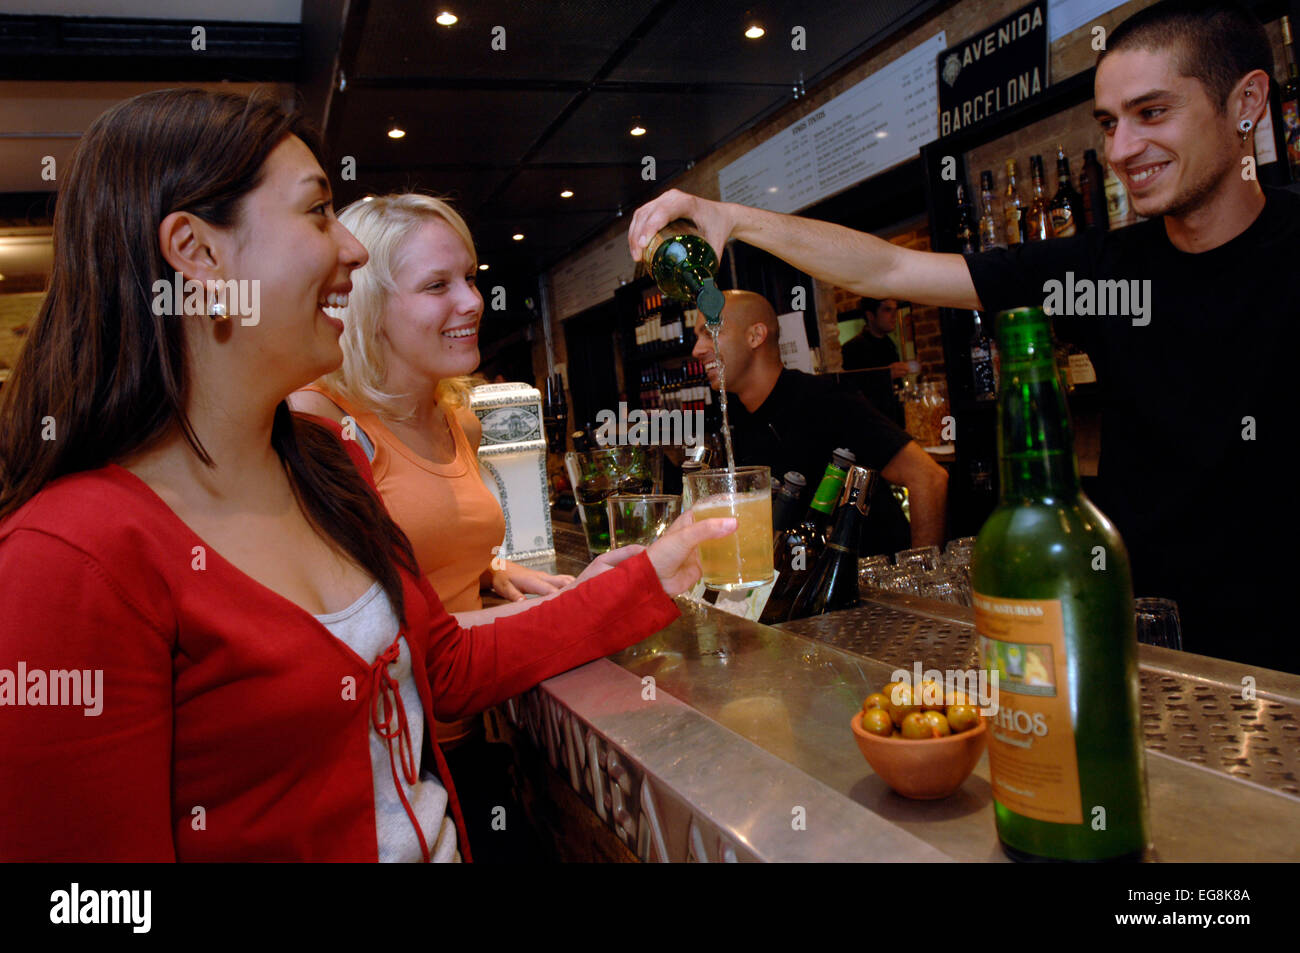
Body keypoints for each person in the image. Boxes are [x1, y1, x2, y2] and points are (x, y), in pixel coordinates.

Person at [0, 88, 736, 862]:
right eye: (318, 212)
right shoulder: (68, 557)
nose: (351, 250)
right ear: (197, 252)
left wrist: (648, 576)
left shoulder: (326, 464)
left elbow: (443, 667)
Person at [630, 0, 1298, 674]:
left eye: (1151, 114)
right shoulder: (1101, 268)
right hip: (1140, 647)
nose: (1121, 149)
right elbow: (890, 266)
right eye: (1108, 123)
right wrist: (732, 217)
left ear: (1246, 102)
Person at [286, 192, 572, 861]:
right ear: (367, 305)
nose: (472, 301)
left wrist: (492, 571)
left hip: (468, 742)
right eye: (437, 285)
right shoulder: (320, 420)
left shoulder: (457, 416)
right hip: (391, 766)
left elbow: (427, 546)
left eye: (470, 277)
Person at [691, 289, 948, 555]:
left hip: (871, 585)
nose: (697, 350)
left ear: (755, 336)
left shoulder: (823, 399)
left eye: (710, 332)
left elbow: (929, 478)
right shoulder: (738, 417)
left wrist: (922, 576)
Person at [839, 296, 909, 420]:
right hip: (872, 424)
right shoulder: (853, 348)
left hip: (895, 421)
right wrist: (885, 375)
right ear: (870, 315)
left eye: (895, 310)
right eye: (887, 310)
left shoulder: (889, 344)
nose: (893, 316)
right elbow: (851, 390)